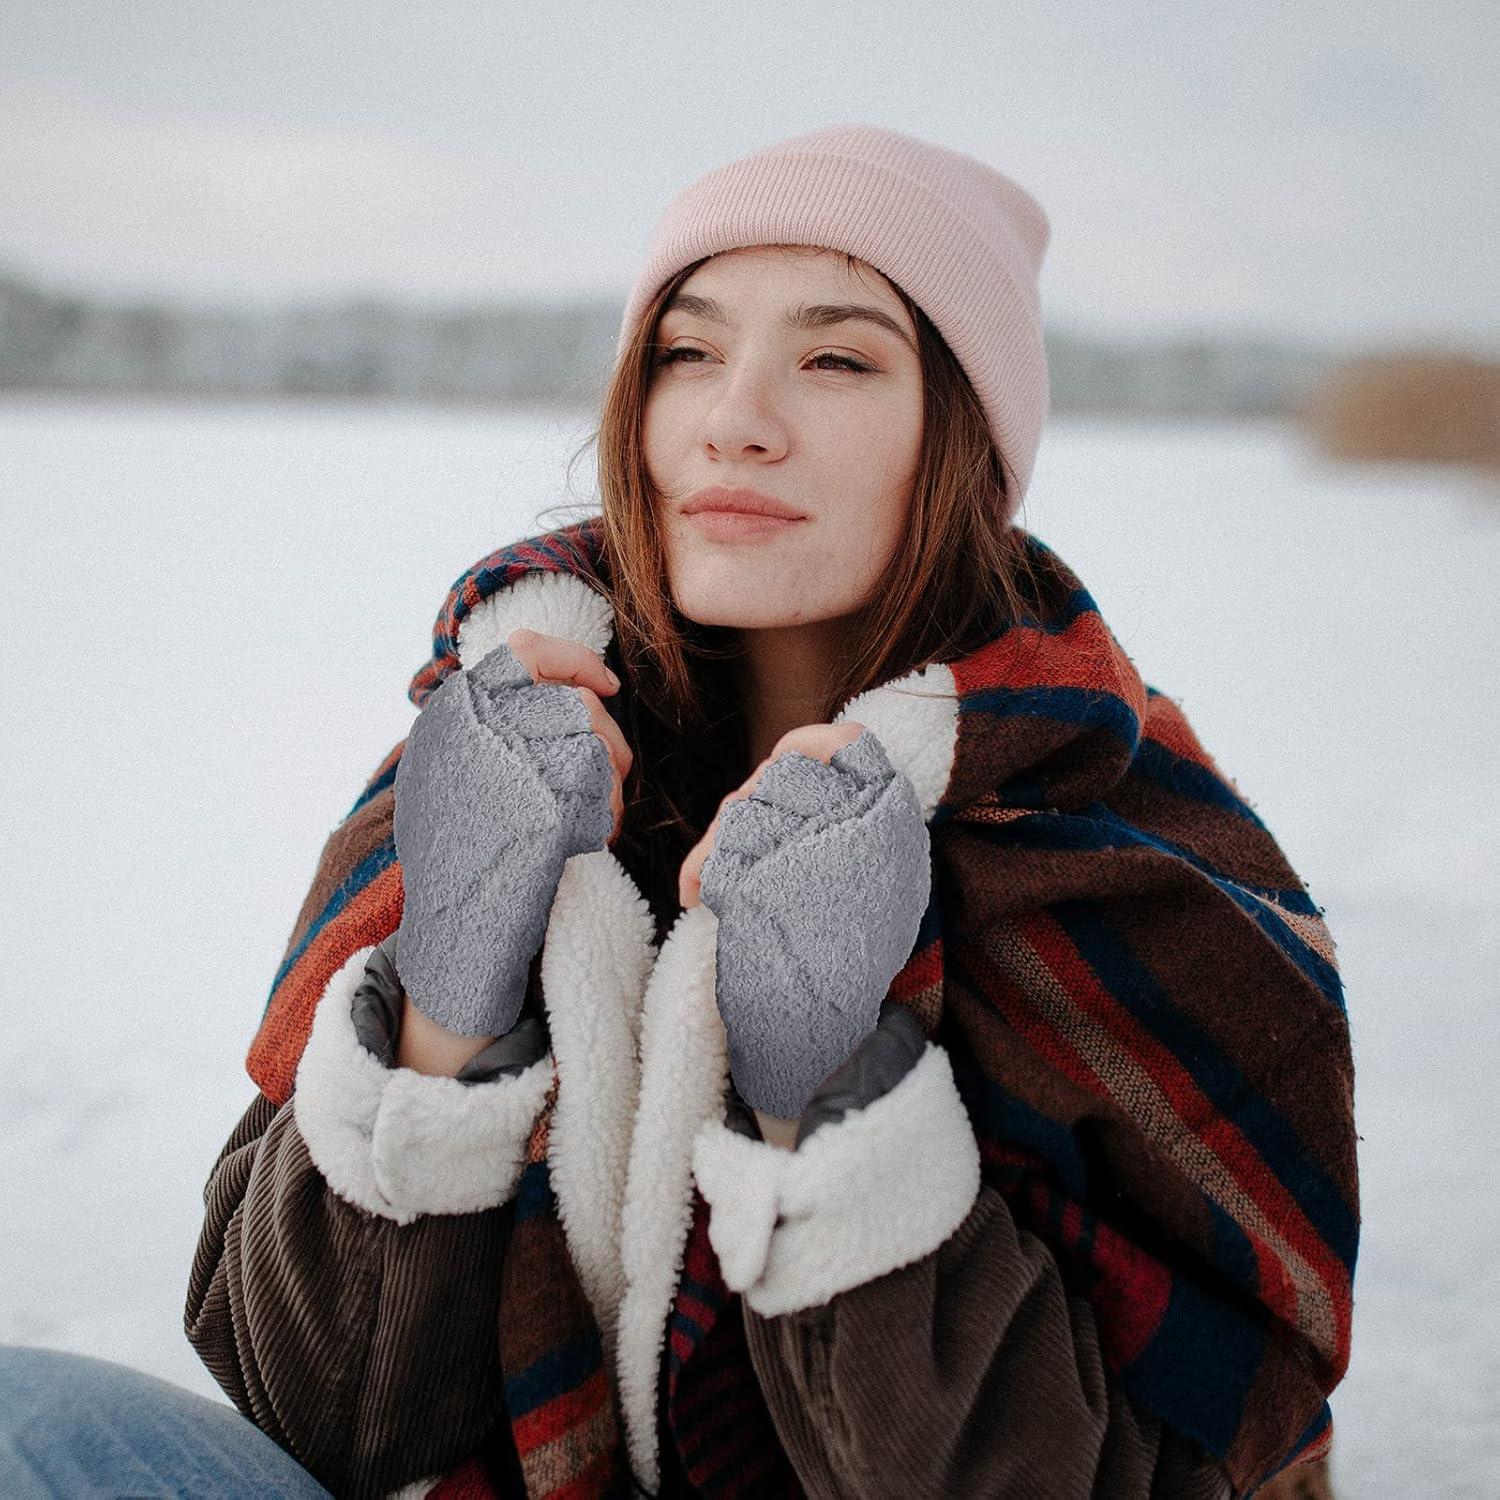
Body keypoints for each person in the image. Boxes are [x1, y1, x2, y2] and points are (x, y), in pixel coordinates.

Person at [0, 124, 1358, 1500]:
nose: (734, 419)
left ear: (961, 442)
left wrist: (826, 1087)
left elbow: (1150, 1472)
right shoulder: (499, 744)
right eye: (688, 351)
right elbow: (326, 1422)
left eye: (837, 360)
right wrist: (446, 1004)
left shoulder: (1117, 845)